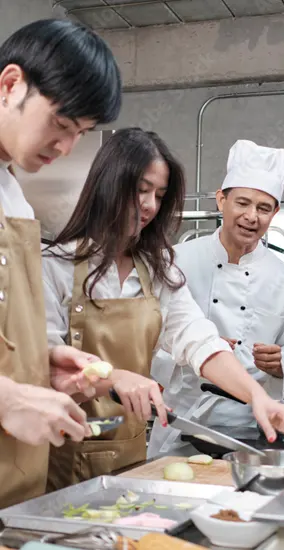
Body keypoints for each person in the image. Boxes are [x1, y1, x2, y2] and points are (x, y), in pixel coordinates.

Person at [41, 128, 284, 490]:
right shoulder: (55, 264)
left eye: (159, 196)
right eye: (140, 190)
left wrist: (258, 397)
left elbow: (197, 339)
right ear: (108, 184)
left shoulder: (157, 270)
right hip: (59, 450)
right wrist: (113, 377)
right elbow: (42, 358)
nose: (149, 205)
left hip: (129, 454)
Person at [0, 18, 122, 508]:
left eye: (82, 133)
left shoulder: (15, 201)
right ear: (11, 85)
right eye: (61, 124)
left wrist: (38, 361)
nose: (67, 147)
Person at [148, 139, 284, 458]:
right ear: (221, 200)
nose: (252, 217)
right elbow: (147, 339)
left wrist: (282, 362)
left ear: (275, 212)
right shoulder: (175, 261)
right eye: (242, 203)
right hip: (182, 424)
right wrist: (197, 348)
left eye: (264, 208)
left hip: (251, 429)